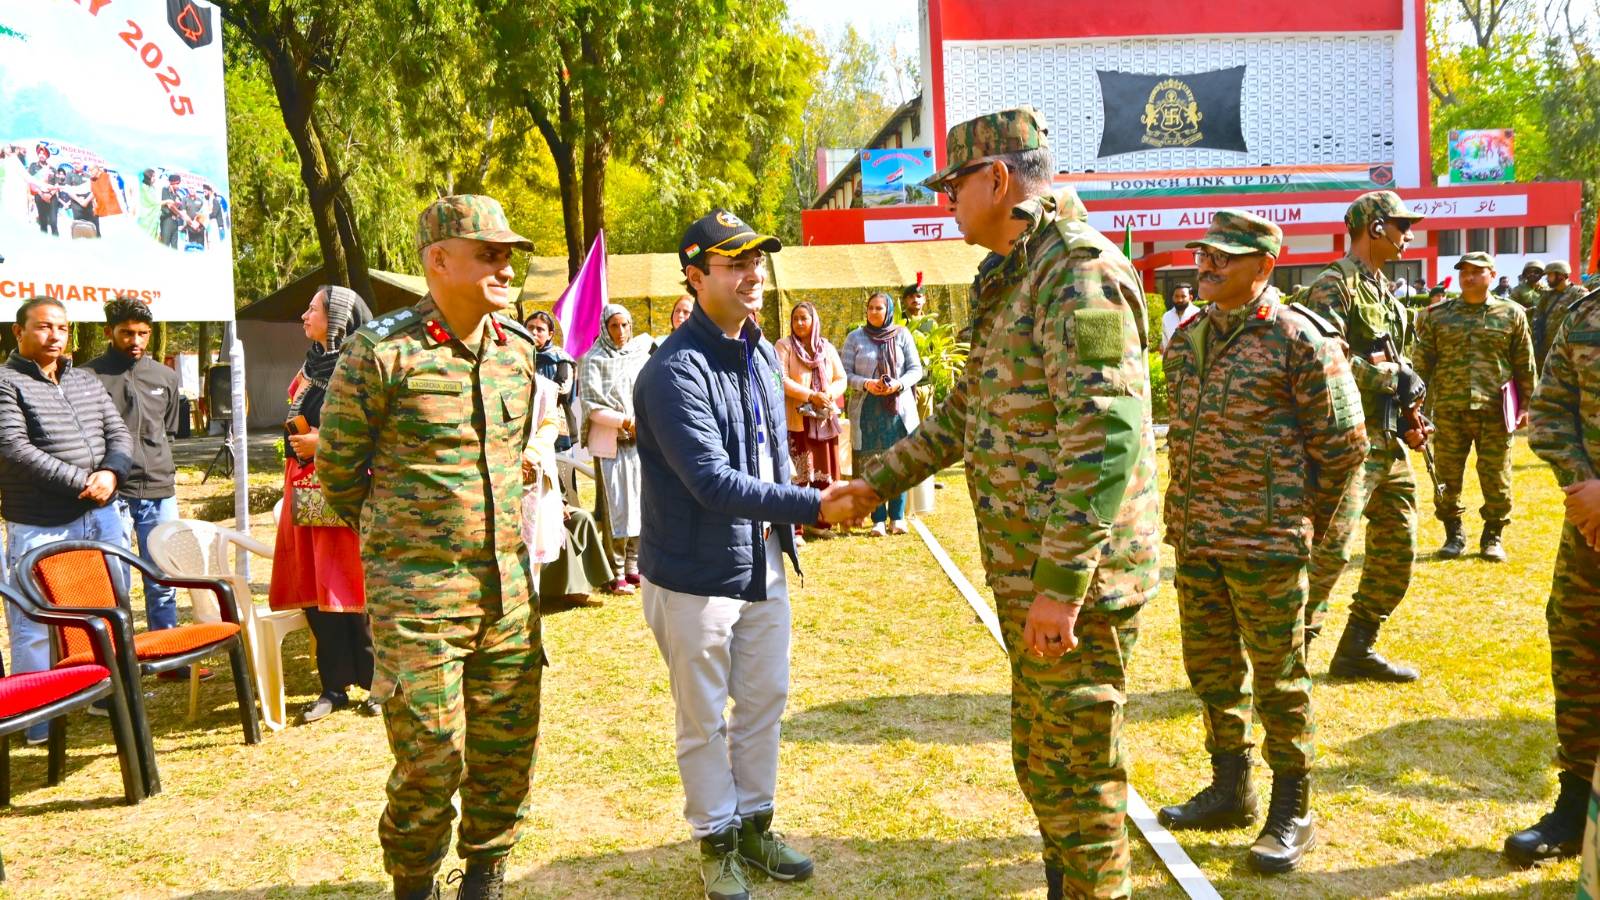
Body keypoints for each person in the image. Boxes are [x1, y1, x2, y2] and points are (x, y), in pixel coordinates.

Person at [836, 106, 1160, 900]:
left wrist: (1058, 587)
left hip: (1073, 589)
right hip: (1032, 582)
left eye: (954, 185)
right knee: (1044, 766)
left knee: (1081, 782)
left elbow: (1106, 432)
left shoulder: (1076, 270)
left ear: (997, 178)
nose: (946, 202)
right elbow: (967, 414)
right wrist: (876, 480)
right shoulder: (1012, 274)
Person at [316, 195, 545, 900]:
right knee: (430, 760)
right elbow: (338, 474)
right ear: (439, 260)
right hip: (416, 601)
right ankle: (413, 883)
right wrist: (405, 553)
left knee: (507, 752)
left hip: (507, 594)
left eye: (509, 253)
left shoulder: (519, 353)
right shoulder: (381, 351)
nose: (504, 265)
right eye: (488, 252)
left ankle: (485, 872)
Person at [634, 209, 856, 900]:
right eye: (735, 263)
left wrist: (796, 508)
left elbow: (775, 455)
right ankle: (717, 841)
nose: (753, 273)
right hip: (695, 574)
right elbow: (709, 482)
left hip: (762, 561)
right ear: (696, 277)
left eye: (757, 260)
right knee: (702, 715)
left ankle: (756, 825)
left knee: (764, 701)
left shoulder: (761, 352)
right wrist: (814, 505)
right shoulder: (672, 373)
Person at [1157, 211, 1368, 873]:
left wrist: (1305, 526)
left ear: (1263, 267)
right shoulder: (1185, 338)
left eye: (1224, 257)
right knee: (1212, 672)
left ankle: (1292, 805)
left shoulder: (1298, 338)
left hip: (1268, 544)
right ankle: (1230, 787)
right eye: (1204, 254)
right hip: (1197, 539)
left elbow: (1345, 446)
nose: (1207, 265)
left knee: (1280, 679)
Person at [1303, 190, 1430, 683]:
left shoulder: (1383, 289)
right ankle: (1286, 660)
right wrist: (1386, 379)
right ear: (1374, 227)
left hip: (1389, 442)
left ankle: (1357, 648)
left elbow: (1390, 360)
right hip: (1348, 444)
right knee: (1328, 556)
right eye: (1400, 226)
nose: (1408, 236)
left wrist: (1411, 406)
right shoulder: (1334, 285)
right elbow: (1322, 359)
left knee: (1399, 549)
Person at [0, 297, 132, 745]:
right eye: (43, 327)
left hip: (101, 517)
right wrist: (84, 481)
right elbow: (14, 450)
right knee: (34, 622)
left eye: (62, 327)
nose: (54, 335)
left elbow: (118, 433)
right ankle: (34, 719)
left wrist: (111, 473)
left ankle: (104, 695)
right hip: (41, 523)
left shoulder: (86, 380)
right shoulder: (5, 382)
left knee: (108, 608)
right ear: (19, 333)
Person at [1517, 281, 1600, 867]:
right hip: (1591, 528)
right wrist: (1583, 485)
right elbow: (1548, 411)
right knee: (1578, 649)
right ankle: (1578, 807)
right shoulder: (1586, 315)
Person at [269, 286, 375, 723]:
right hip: (304, 488)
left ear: (336, 319)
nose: (303, 315)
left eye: (313, 309)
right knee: (315, 587)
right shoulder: (310, 367)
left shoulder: (363, 367)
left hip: (346, 488)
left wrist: (323, 442)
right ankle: (333, 686)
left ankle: (377, 682)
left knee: (354, 586)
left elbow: (379, 429)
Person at [84, 297, 190, 677]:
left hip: (160, 489)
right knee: (116, 580)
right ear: (108, 331)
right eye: (127, 332)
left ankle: (168, 656)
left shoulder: (166, 377)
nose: (136, 340)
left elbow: (170, 432)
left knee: (163, 575)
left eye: (143, 333)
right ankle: (121, 662)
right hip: (112, 495)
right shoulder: (87, 377)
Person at [1411, 252, 1535, 562]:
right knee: (1446, 476)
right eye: (1464, 272)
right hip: (1450, 411)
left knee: (1496, 476)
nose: (1469, 277)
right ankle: (1454, 533)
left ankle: (1493, 535)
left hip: (1495, 410)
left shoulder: (1511, 314)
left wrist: (1527, 406)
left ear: (1492, 275)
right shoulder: (1438, 316)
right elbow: (1421, 364)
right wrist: (1412, 406)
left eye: (1477, 272)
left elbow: (1524, 363)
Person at [580, 304, 651, 593]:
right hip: (611, 443)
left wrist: (642, 420)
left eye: (624, 325)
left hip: (639, 442)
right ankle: (615, 571)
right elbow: (592, 406)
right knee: (615, 507)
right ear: (604, 328)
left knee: (639, 505)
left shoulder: (638, 355)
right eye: (614, 326)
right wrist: (624, 421)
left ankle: (634, 567)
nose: (620, 332)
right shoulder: (592, 359)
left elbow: (648, 391)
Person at [841, 292, 923, 536]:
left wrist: (898, 384)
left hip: (897, 410)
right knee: (871, 465)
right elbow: (844, 374)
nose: (874, 312)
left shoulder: (902, 335)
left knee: (898, 463)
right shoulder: (855, 338)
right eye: (870, 308)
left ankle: (897, 518)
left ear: (888, 311)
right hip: (867, 411)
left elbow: (916, 369)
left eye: (879, 308)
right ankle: (877, 519)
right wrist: (867, 383)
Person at [774, 301, 846, 539]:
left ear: (815, 321)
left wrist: (827, 395)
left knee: (825, 473)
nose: (800, 323)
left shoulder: (826, 347)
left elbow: (841, 378)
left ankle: (821, 523)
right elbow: (781, 379)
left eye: (805, 318)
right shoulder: (784, 346)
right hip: (798, 421)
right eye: (796, 319)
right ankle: (796, 529)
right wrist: (810, 396)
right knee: (799, 475)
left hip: (823, 421)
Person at [1535, 260, 1586, 372]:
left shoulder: (1578, 294)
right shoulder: (1548, 295)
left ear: (1561, 276)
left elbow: (1584, 320)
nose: (1547, 278)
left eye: (1550, 275)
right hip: (1545, 348)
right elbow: (1538, 315)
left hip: (1567, 351)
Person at [1160, 282, 1199, 351]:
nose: (1179, 300)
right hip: (1173, 359)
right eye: (1176, 296)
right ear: (1172, 297)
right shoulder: (1166, 316)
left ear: (1190, 297)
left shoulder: (1198, 314)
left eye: (1183, 296)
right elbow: (1165, 341)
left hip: (1194, 359)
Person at [159, 173, 184, 249]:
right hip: (167, 221)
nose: (178, 186)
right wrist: (176, 205)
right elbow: (170, 206)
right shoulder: (165, 190)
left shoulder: (178, 195)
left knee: (174, 247)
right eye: (177, 184)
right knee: (165, 244)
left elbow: (181, 210)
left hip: (175, 222)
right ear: (172, 183)